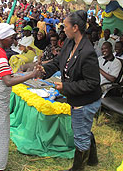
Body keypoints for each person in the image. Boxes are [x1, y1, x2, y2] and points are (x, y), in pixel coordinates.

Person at [39, 10, 102, 171]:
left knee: (80, 134)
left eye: (65, 26)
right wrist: (44, 71)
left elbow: (92, 83)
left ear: (75, 27)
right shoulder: (69, 42)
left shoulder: (87, 52)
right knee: (83, 128)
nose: (63, 29)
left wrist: (65, 87)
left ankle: (77, 168)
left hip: (86, 100)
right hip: (77, 97)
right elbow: (58, 61)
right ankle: (92, 159)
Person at [0, 23, 41, 171]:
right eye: (11, 38)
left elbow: (6, 75)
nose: (14, 40)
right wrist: (32, 74)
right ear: (3, 38)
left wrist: (24, 74)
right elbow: (8, 81)